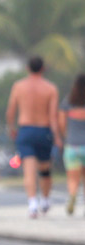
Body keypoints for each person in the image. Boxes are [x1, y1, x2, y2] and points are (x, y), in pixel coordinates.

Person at [6, 56, 63, 218]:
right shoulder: (50, 88)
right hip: (44, 131)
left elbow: (10, 111)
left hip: (25, 130)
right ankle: (45, 200)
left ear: (27, 68)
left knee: (28, 170)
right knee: (45, 170)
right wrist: (57, 136)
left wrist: (11, 128)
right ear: (43, 69)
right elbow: (53, 116)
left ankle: (32, 204)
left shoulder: (18, 86)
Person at [57, 73, 85, 215]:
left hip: (72, 146)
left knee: (72, 177)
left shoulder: (68, 101)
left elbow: (61, 123)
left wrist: (66, 137)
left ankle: (73, 195)